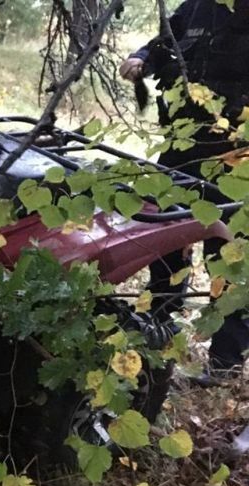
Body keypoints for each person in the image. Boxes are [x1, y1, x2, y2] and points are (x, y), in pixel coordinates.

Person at [120, 0, 249, 382]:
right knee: (164, 241)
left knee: (227, 257)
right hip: (179, 150)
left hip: (236, 157)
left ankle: (224, 364)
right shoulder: (196, 7)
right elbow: (164, 41)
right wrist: (140, 58)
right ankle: (157, 334)